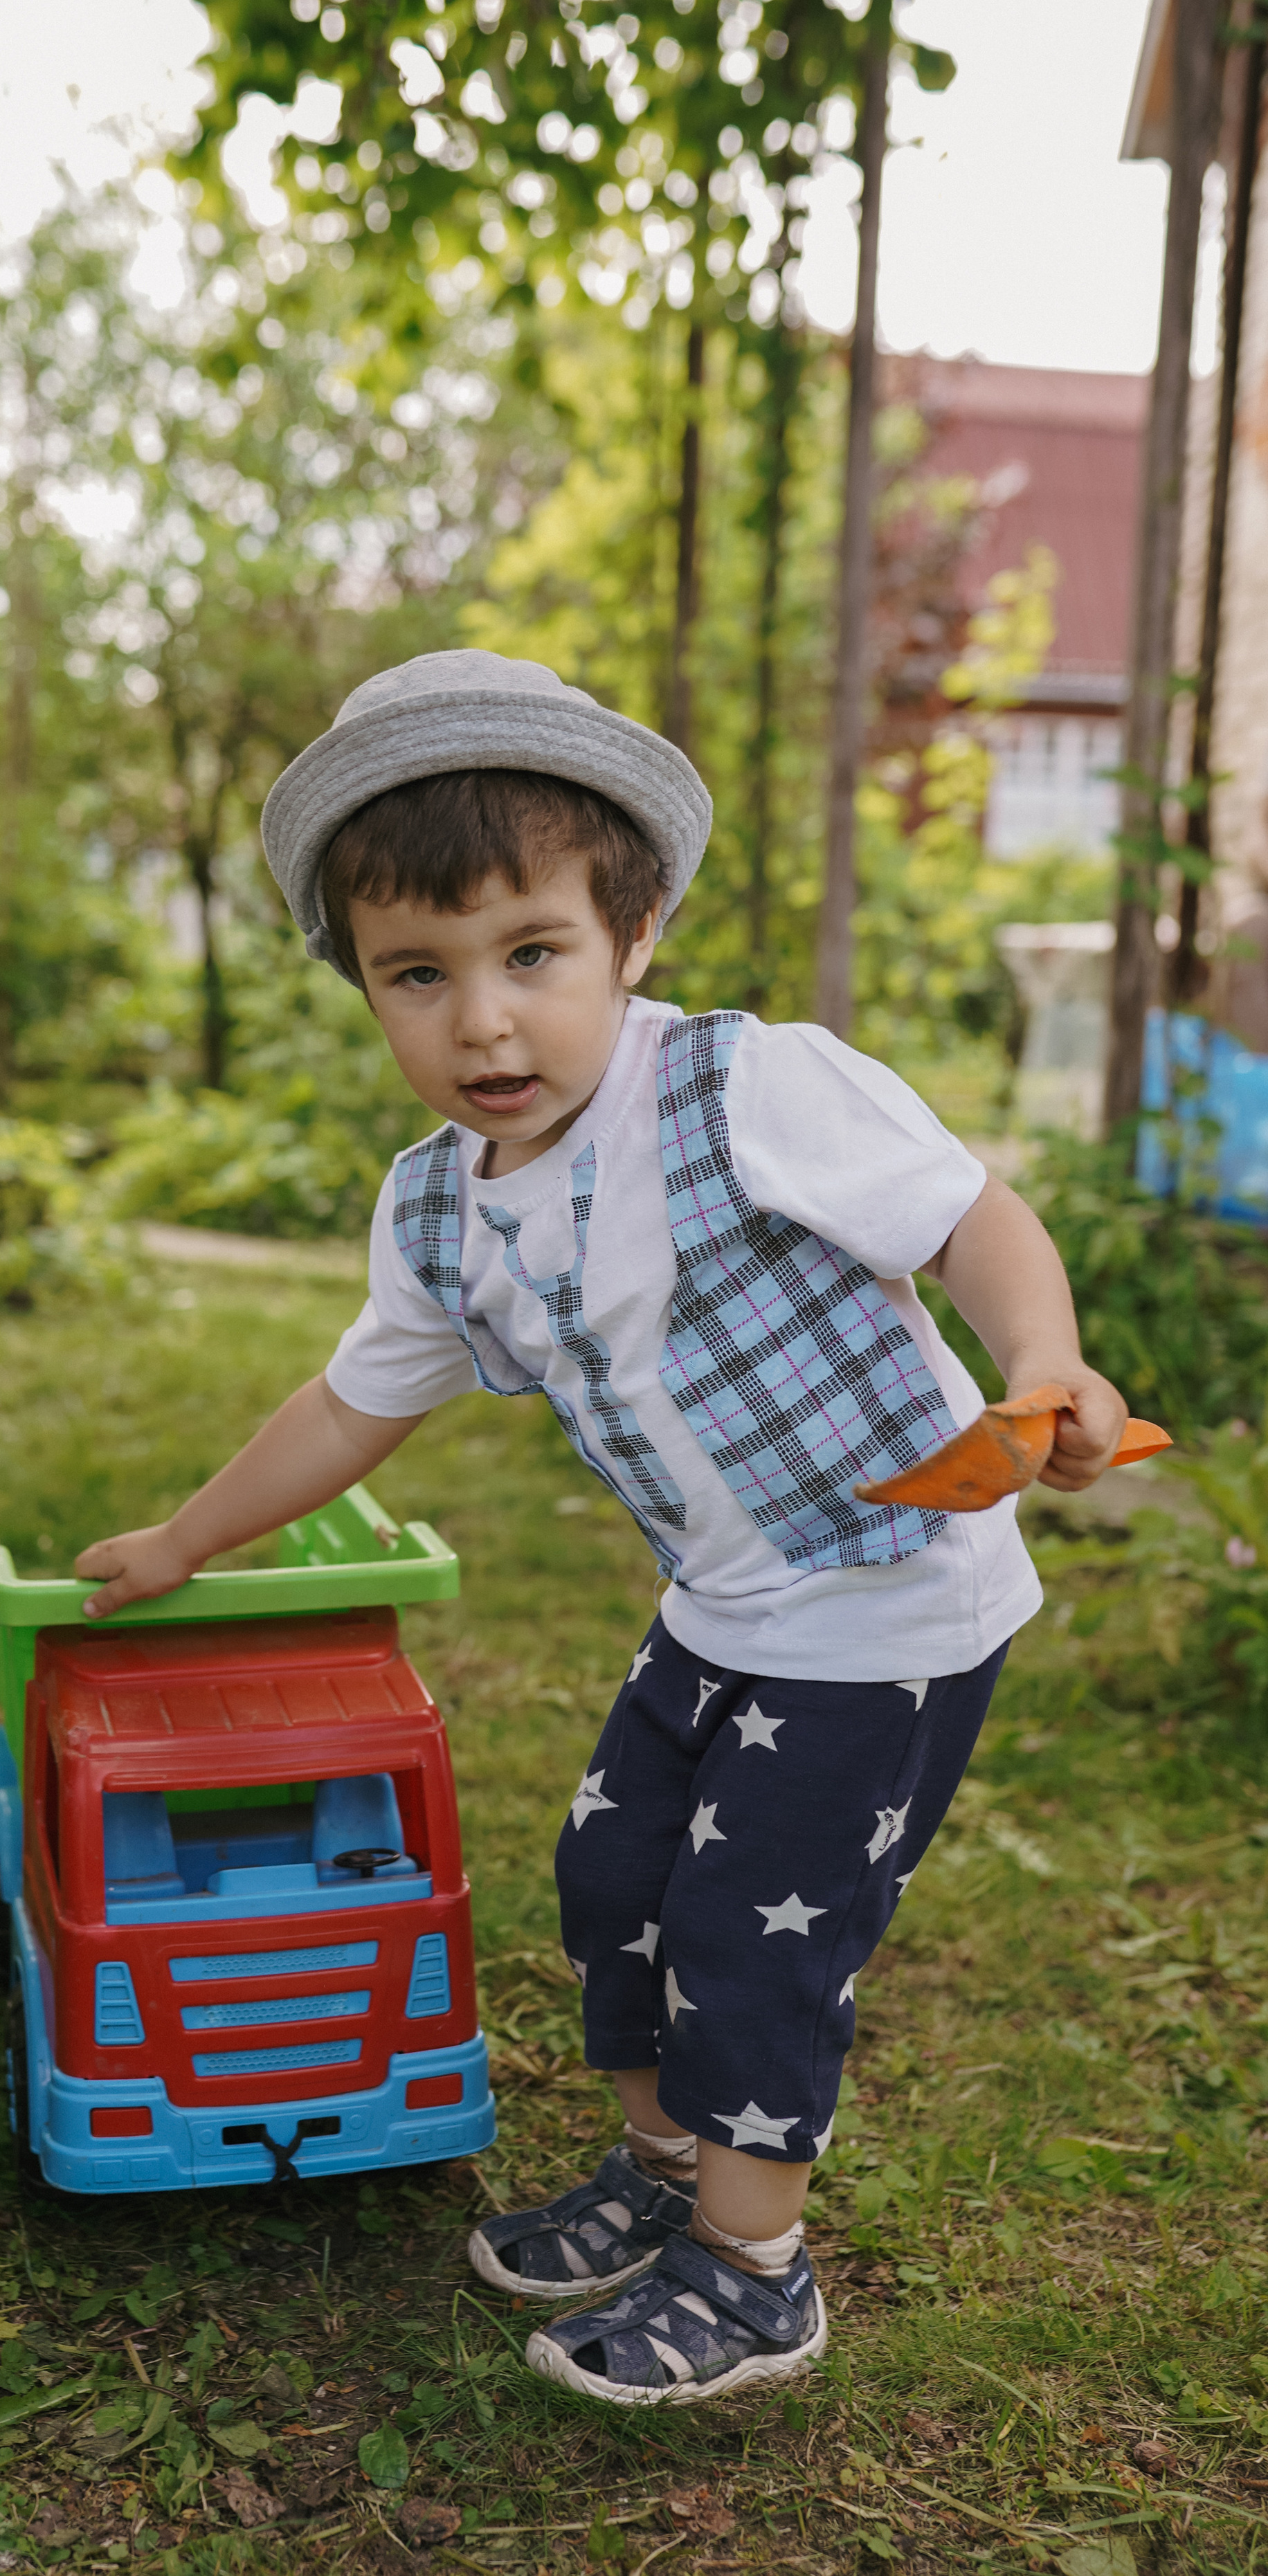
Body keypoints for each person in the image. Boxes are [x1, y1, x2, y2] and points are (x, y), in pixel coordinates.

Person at [75, 649, 1128, 2408]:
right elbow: (353, 1404)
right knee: (612, 1882)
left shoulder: (742, 1087)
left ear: (628, 932)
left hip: (887, 1601)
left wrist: (1041, 1364)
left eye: (530, 955)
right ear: (364, 989)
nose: (482, 1022)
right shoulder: (439, 1212)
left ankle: (751, 2272)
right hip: (724, 1601)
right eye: (419, 975)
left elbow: (967, 1217)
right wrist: (187, 1538)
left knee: (754, 1929)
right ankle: (660, 2178)